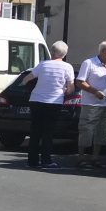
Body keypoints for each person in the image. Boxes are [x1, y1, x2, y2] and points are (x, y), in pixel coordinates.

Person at [22, 40, 75, 169]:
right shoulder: (67, 67)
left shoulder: (43, 65)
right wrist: (63, 91)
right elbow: (71, 88)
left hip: (36, 100)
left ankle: (32, 161)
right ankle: (46, 160)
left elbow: (26, 79)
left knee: (35, 131)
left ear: (52, 51)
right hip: (54, 102)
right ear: (64, 54)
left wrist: (29, 86)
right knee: (48, 132)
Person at [75, 40, 106, 169]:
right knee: (86, 131)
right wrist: (95, 92)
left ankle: (95, 158)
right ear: (103, 50)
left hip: (104, 105)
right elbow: (79, 82)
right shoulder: (89, 63)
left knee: (102, 132)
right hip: (90, 104)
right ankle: (81, 158)